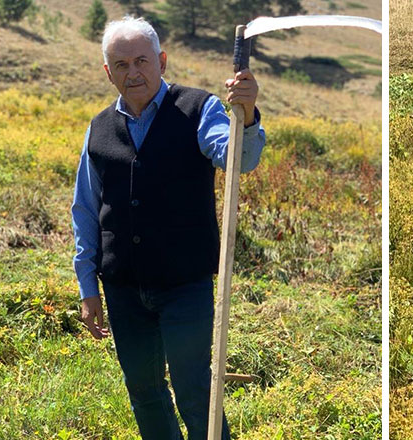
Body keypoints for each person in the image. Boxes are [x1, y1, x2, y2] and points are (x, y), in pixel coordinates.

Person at [71, 16, 265, 439]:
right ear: (108, 72)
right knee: (144, 391)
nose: (133, 72)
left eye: (141, 60)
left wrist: (246, 116)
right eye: (121, 65)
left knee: (195, 393)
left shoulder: (200, 108)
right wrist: (89, 287)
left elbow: (238, 158)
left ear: (161, 60)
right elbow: (85, 209)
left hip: (184, 286)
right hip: (123, 287)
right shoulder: (100, 128)